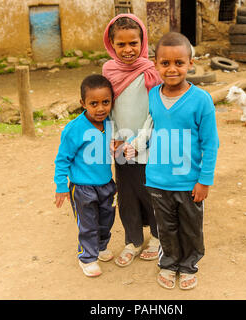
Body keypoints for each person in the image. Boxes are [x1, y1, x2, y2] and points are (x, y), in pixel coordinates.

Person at [133, 32, 219, 289]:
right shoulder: (152, 97)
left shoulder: (201, 100)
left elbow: (210, 143)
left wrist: (204, 180)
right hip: (158, 180)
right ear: (155, 64)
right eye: (165, 63)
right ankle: (169, 264)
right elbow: (149, 131)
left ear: (190, 63)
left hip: (190, 182)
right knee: (166, 228)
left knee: (190, 227)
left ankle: (189, 265)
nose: (172, 69)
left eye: (179, 63)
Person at [102, 14, 162, 267]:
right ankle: (133, 240)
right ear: (111, 44)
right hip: (120, 146)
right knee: (126, 195)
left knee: (152, 192)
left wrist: (139, 142)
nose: (128, 50)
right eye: (121, 44)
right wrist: (114, 137)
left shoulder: (150, 71)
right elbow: (107, 107)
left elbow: (155, 112)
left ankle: (158, 238)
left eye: (133, 43)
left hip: (149, 144)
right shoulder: (108, 71)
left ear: (143, 41)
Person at [54, 74, 117, 277]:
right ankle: (87, 257)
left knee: (107, 219)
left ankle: (100, 246)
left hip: (106, 184)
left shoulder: (110, 124)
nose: (100, 108)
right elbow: (62, 160)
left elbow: (114, 146)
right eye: (94, 103)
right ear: (83, 103)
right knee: (88, 224)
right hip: (82, 188)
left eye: (105, 102)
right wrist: (61, 185)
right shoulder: (74, 129)